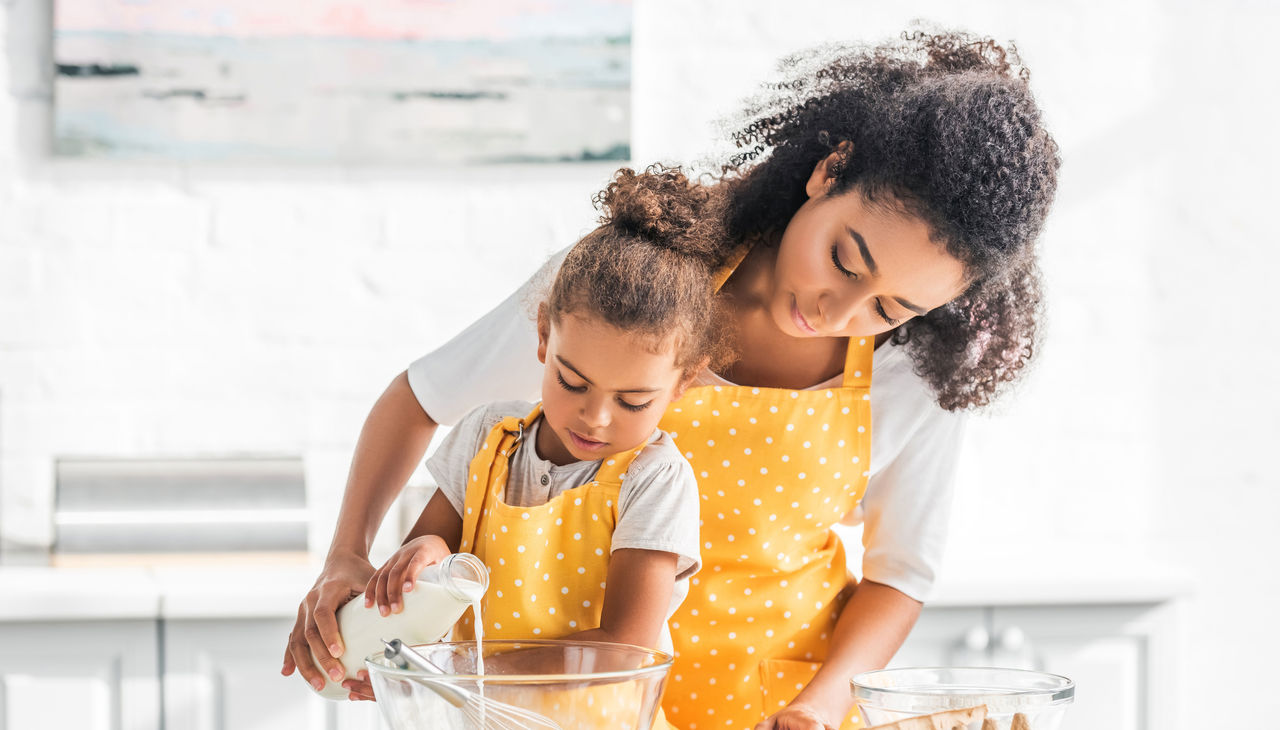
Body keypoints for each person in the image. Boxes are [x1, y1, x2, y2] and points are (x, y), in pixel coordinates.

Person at [283, 29, 1060, 730]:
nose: (840, 309)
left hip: (762, 709)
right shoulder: (636, 284)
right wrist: (346, 556)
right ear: (829, 171)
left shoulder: (912, 376)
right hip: (564, 706)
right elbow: (418, 402)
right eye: (845, 260)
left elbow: (899, 577)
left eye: (892, 305)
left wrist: (816, 711)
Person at [362, 168, 721, 664]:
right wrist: (429, 558)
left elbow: (625, 648)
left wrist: (467, 669)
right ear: (544, 337)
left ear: (685, 381)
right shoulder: (487, 436)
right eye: (572, 382)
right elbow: (430, 558)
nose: (595, 417)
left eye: (632, 401)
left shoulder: (654, 478)